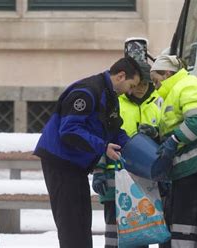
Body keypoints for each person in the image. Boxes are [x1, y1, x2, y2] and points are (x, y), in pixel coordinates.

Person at [33, 57, 143, 248]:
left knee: (82, 221)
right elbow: (69, 130)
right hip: (61, 163)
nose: (131, 91)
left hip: (76, 166)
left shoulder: (110, 96)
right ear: (121, 76)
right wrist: (102, 147)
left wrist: (135, 147)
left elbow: (114, 130)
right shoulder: (88, 92)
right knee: (71, 224)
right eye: (131, 85)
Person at [91, 61, 162, 248]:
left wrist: (156, 134)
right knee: (114, 230)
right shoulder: (116, 103)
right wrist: (98, 170)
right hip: (113, 178)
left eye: (144, 85)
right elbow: (100, 135)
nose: (139, 89)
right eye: (136, 85)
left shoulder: (156, 106)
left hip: (142, 181)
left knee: (140, 229)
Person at [150, 55, 197, 248]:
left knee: (183, 221)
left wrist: (174, 140)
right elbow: (177, 124)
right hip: (184, 165)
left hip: (194, 163)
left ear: (168, 73)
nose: (155, 86)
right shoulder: (173, 91)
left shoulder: (188, 86)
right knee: (176, 217)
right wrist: (156, 133)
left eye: (156, 81)